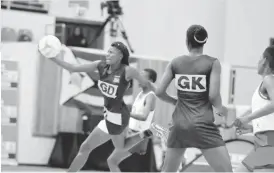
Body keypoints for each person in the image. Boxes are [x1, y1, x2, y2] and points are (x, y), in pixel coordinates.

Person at [44, 41, 155, 172]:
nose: (107, 54)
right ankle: (145, 134)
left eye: (111, 52)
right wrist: (52, 58)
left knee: (118, 150)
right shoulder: (101, 66)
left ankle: (144, 134)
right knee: (86, 148)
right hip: (108, 116)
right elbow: (73, 68)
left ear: (120, 56)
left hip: (119, 117)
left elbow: (147, 84)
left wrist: (164, 97)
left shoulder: (127, 71)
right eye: (108, 51)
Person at [155, 24, 233, 172]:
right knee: (226, 171)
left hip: (179, 125)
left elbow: (159, 92)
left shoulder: (175, 62)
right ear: (204, 42)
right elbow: (213, 95)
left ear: (187, 41)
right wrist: (222, 110)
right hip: (202, 124)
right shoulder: (212, 63)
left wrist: (175, 101)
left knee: (168, 171)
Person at [105, 68, 158, 171]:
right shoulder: (140, 94)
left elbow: (144, 117)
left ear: (150, 81)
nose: (138, 78)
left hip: (138, 135)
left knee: (112, 161)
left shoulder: (150, 96)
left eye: (142, 76)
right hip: (133, 133)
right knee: (112, 161)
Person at [234, 45, 274, 172]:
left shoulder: (269, 80)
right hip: (263, 141)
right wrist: (252, 128)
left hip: (268, 143)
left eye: (259, 58)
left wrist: (247, 118)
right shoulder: (265, 83)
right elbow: (269, 119)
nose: (257, 62)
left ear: (265, 61)